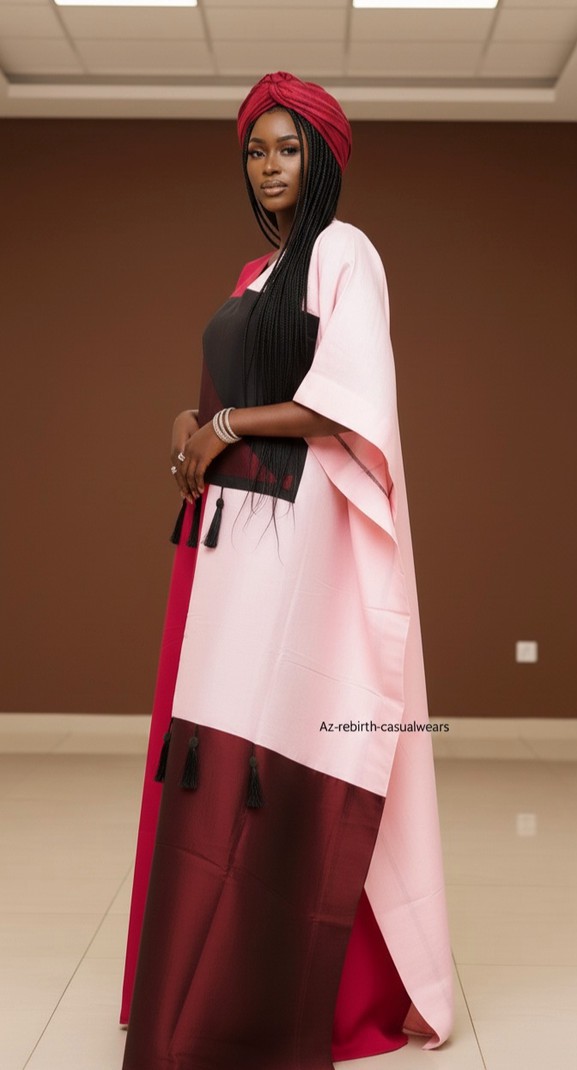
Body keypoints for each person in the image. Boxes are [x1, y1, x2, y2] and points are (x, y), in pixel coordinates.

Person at [120, 71, 453, 1070]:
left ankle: (267, 1002)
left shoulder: (344, 252)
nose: (268, 165)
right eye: (256, 151)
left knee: (280, 746)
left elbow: (344, 400)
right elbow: (229, 392)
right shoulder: (252, 276)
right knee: (217, 747)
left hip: (298, 539)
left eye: (288, 147)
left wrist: (223, 423)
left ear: (324, 159)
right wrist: (190, 419)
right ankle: (192, 992)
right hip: (229, 544)